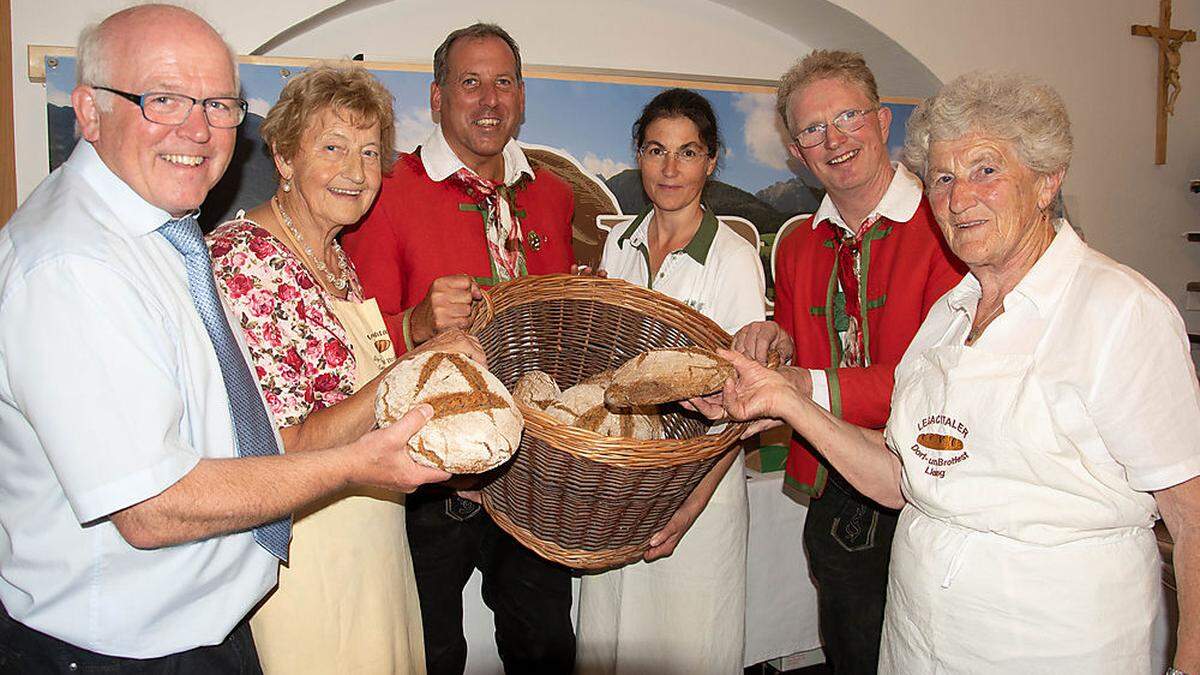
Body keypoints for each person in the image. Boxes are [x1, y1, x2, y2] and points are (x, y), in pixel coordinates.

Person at [0, 6, 448, 672]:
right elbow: (152, 506)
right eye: (164, 99)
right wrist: (358, 459)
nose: (199, 129)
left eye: (218, 104)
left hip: (212, 616)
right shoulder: (75, 265)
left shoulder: (165, 233)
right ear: (89, 112)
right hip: (119, 647)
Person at [714, 71, 1200, 673]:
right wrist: (785, 402)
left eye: (986, 170)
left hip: (1053, 643)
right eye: (942, 177)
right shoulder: (950, 314)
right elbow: (902, 475)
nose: (958, 197)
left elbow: (1191, 512)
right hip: (920, 642)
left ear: (1048, 180)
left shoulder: (1119, 310)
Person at [207, 64, 484, 674]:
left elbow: (352, 393)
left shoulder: (332, 255)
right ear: (283, 156)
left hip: (373, 539)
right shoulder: (246, 259)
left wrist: (426, 352)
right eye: (332, 148)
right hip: (304, 558)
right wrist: (418, 366)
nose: (357, 173)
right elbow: (283, 445)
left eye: (368, 152)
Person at [341, 22, 577, 675]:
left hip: (531, 471)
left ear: (523, 97)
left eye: (503, 83)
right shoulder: (387, 193)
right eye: (469, 82)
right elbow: (351, 346)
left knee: (547, 647)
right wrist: (415, 322)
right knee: (431, 652)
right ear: (438, 96)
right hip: (427, 477)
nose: (489, 100)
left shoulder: (554, 197)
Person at [728, 50, 964, 674]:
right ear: (797, 153)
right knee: (853, 650)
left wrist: (800, 384)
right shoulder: (797, 242)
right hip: (838, 488)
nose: (833, 139)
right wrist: (776, 339)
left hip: (937, 487)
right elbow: (806, 347)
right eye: (811, 130)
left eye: (848, 116)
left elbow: (940, 381)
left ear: (884, 122)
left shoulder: (951, 227)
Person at [575, 88, 766, 675]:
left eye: (688, 152)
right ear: (639, 155)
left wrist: (690, 508)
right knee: (610, 639)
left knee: (686, 641)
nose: (670, 168)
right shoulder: (620, 243)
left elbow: (742, 405)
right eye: (657, 150)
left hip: (698, 484)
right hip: (624, 478)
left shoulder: (733, 258)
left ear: (711, 161)